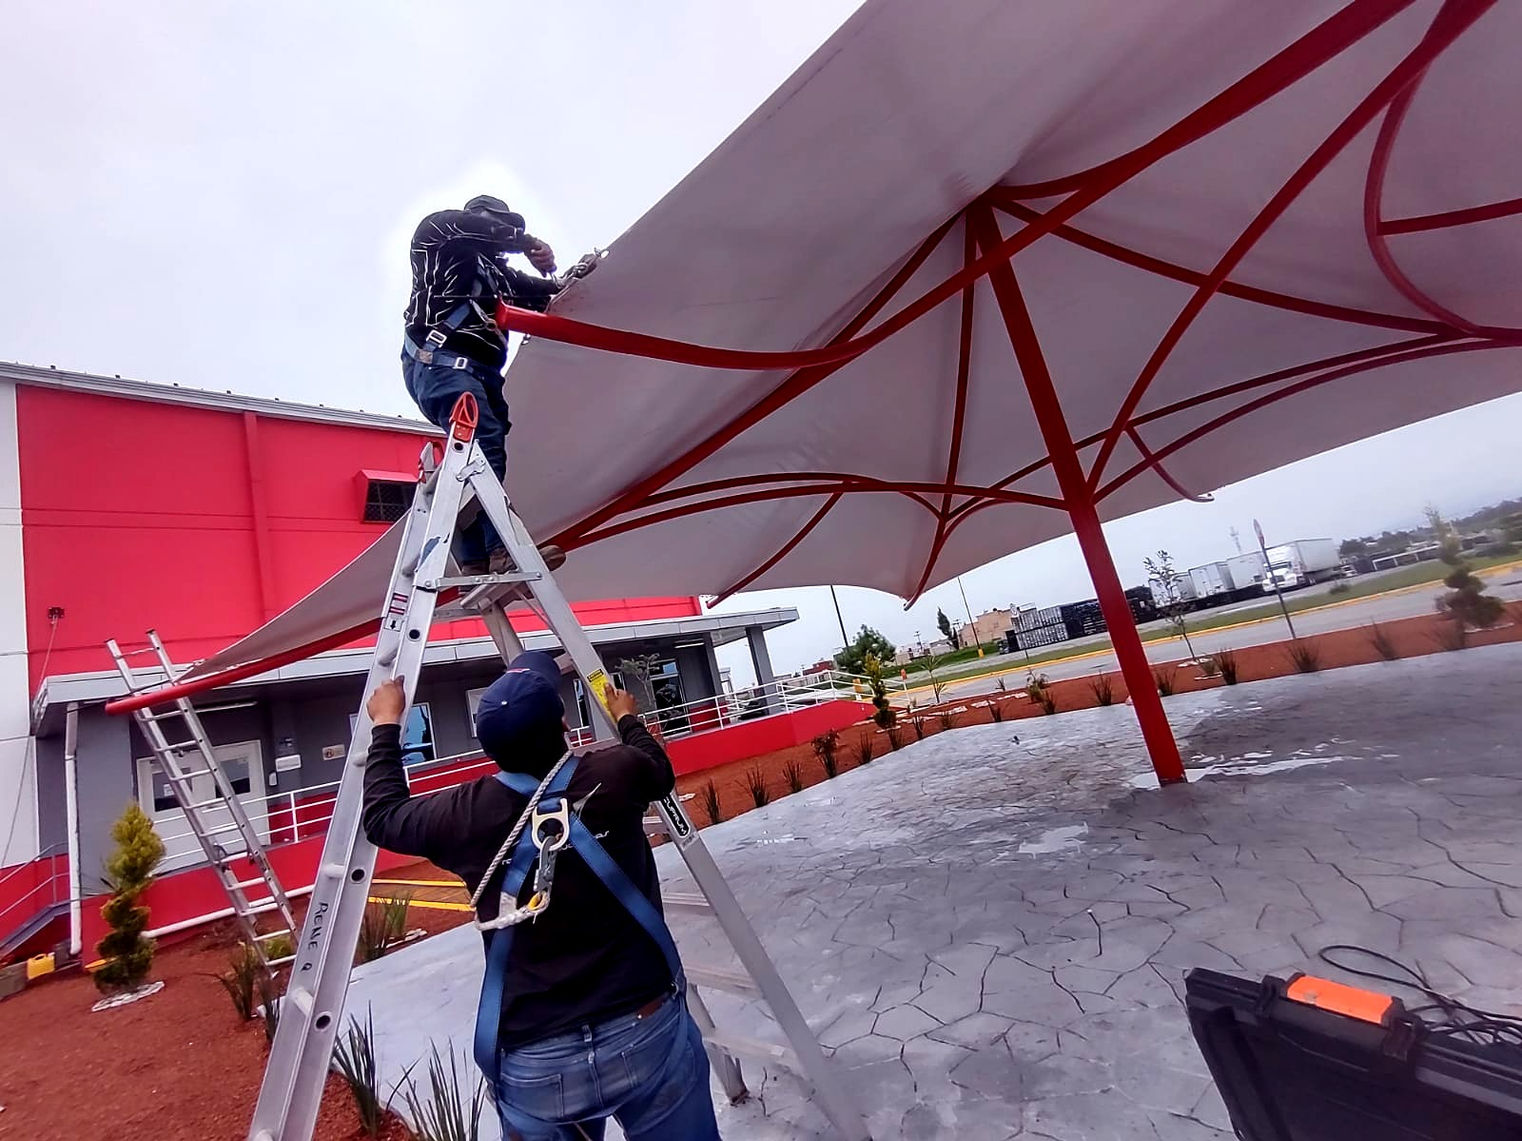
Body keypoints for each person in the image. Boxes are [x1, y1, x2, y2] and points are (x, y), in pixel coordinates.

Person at [361, 652, 722, 1141]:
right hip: (643, 1026)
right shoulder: (617, 773)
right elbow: (659, 767)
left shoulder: (462, 815)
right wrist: (626, 717)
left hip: (537, 1060)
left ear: (487, 743)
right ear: (564, 723)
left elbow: (383, 815)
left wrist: (387, 723)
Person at [402, 195, 562, 575]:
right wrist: (529, 244)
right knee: (483, 440)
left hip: (479, 374)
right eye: (503, 226)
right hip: (440, 364)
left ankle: (475, 557)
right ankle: (504, 549)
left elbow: (548, 294)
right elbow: (471, 228)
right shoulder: (438, 238)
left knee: (477, 455)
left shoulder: (497, 277)